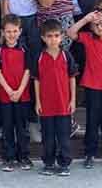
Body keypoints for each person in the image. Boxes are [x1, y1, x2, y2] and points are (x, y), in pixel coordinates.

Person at [67, 9, 102, 169]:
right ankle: (89, 153)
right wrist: (86, 19)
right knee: (92, 121)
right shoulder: (88, 38)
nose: (99, 26)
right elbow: (70, 33)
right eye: (95, 25)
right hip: (92, 86)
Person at [34, 19, 77, 177]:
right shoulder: (39, 57)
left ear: (62, 37)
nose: (53, 39)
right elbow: (36, 80)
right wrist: (38, 101)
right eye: (49, 36)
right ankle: (49, 163)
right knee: (48, 137)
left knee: (64, 137)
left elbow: (72, 78)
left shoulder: (66, 56)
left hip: (63, 105)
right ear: (43, 38)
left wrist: (72, 100)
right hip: (46, 105)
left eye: (56, 36)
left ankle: (64, 163)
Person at [0, 15, 32, 172]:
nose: (11, 34)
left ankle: (24, 156)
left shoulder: (25, 49)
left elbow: (28, 71)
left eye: (15, 31)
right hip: (5, 96)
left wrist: (19, 90)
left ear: (20, 31)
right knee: (7, 128)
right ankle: (8, 158)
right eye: (8, 31)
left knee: (22, 128)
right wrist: (9, 91)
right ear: (2, 32)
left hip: (22, 96)